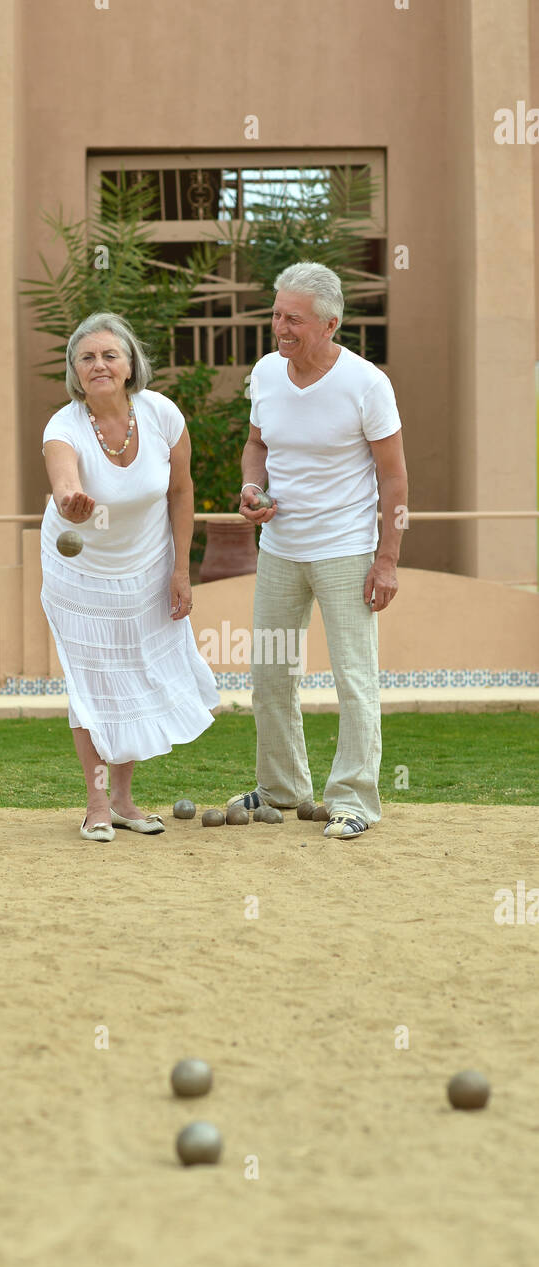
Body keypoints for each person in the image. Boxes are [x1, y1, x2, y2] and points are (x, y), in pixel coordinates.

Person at [228, 261, 408, 839]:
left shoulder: (366, 384)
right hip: (279, 551)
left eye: (294, 318)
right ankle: (282, 789)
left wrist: (387, 559)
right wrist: (252, 488)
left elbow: (395, 478)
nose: (280, 326)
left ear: (330, 324)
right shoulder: (266, 374)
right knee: (271, 674)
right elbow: (256, 446)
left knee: (354, 677)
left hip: (347, 552)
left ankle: (355, 799)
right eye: (277, 314)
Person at [40, 311, 219, 841]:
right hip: (81, 572)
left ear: (128, 364)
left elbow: (181, 491)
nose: (99, 364)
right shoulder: (64, 426)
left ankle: (123, 800)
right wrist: (72, 501)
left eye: (109, 355)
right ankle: (96, 805)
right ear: (75, 370)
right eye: (87, 357)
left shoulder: (162, 413)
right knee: (91, 686)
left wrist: (181, 571)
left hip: (147, 564)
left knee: (136, 677)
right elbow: (63, 476)